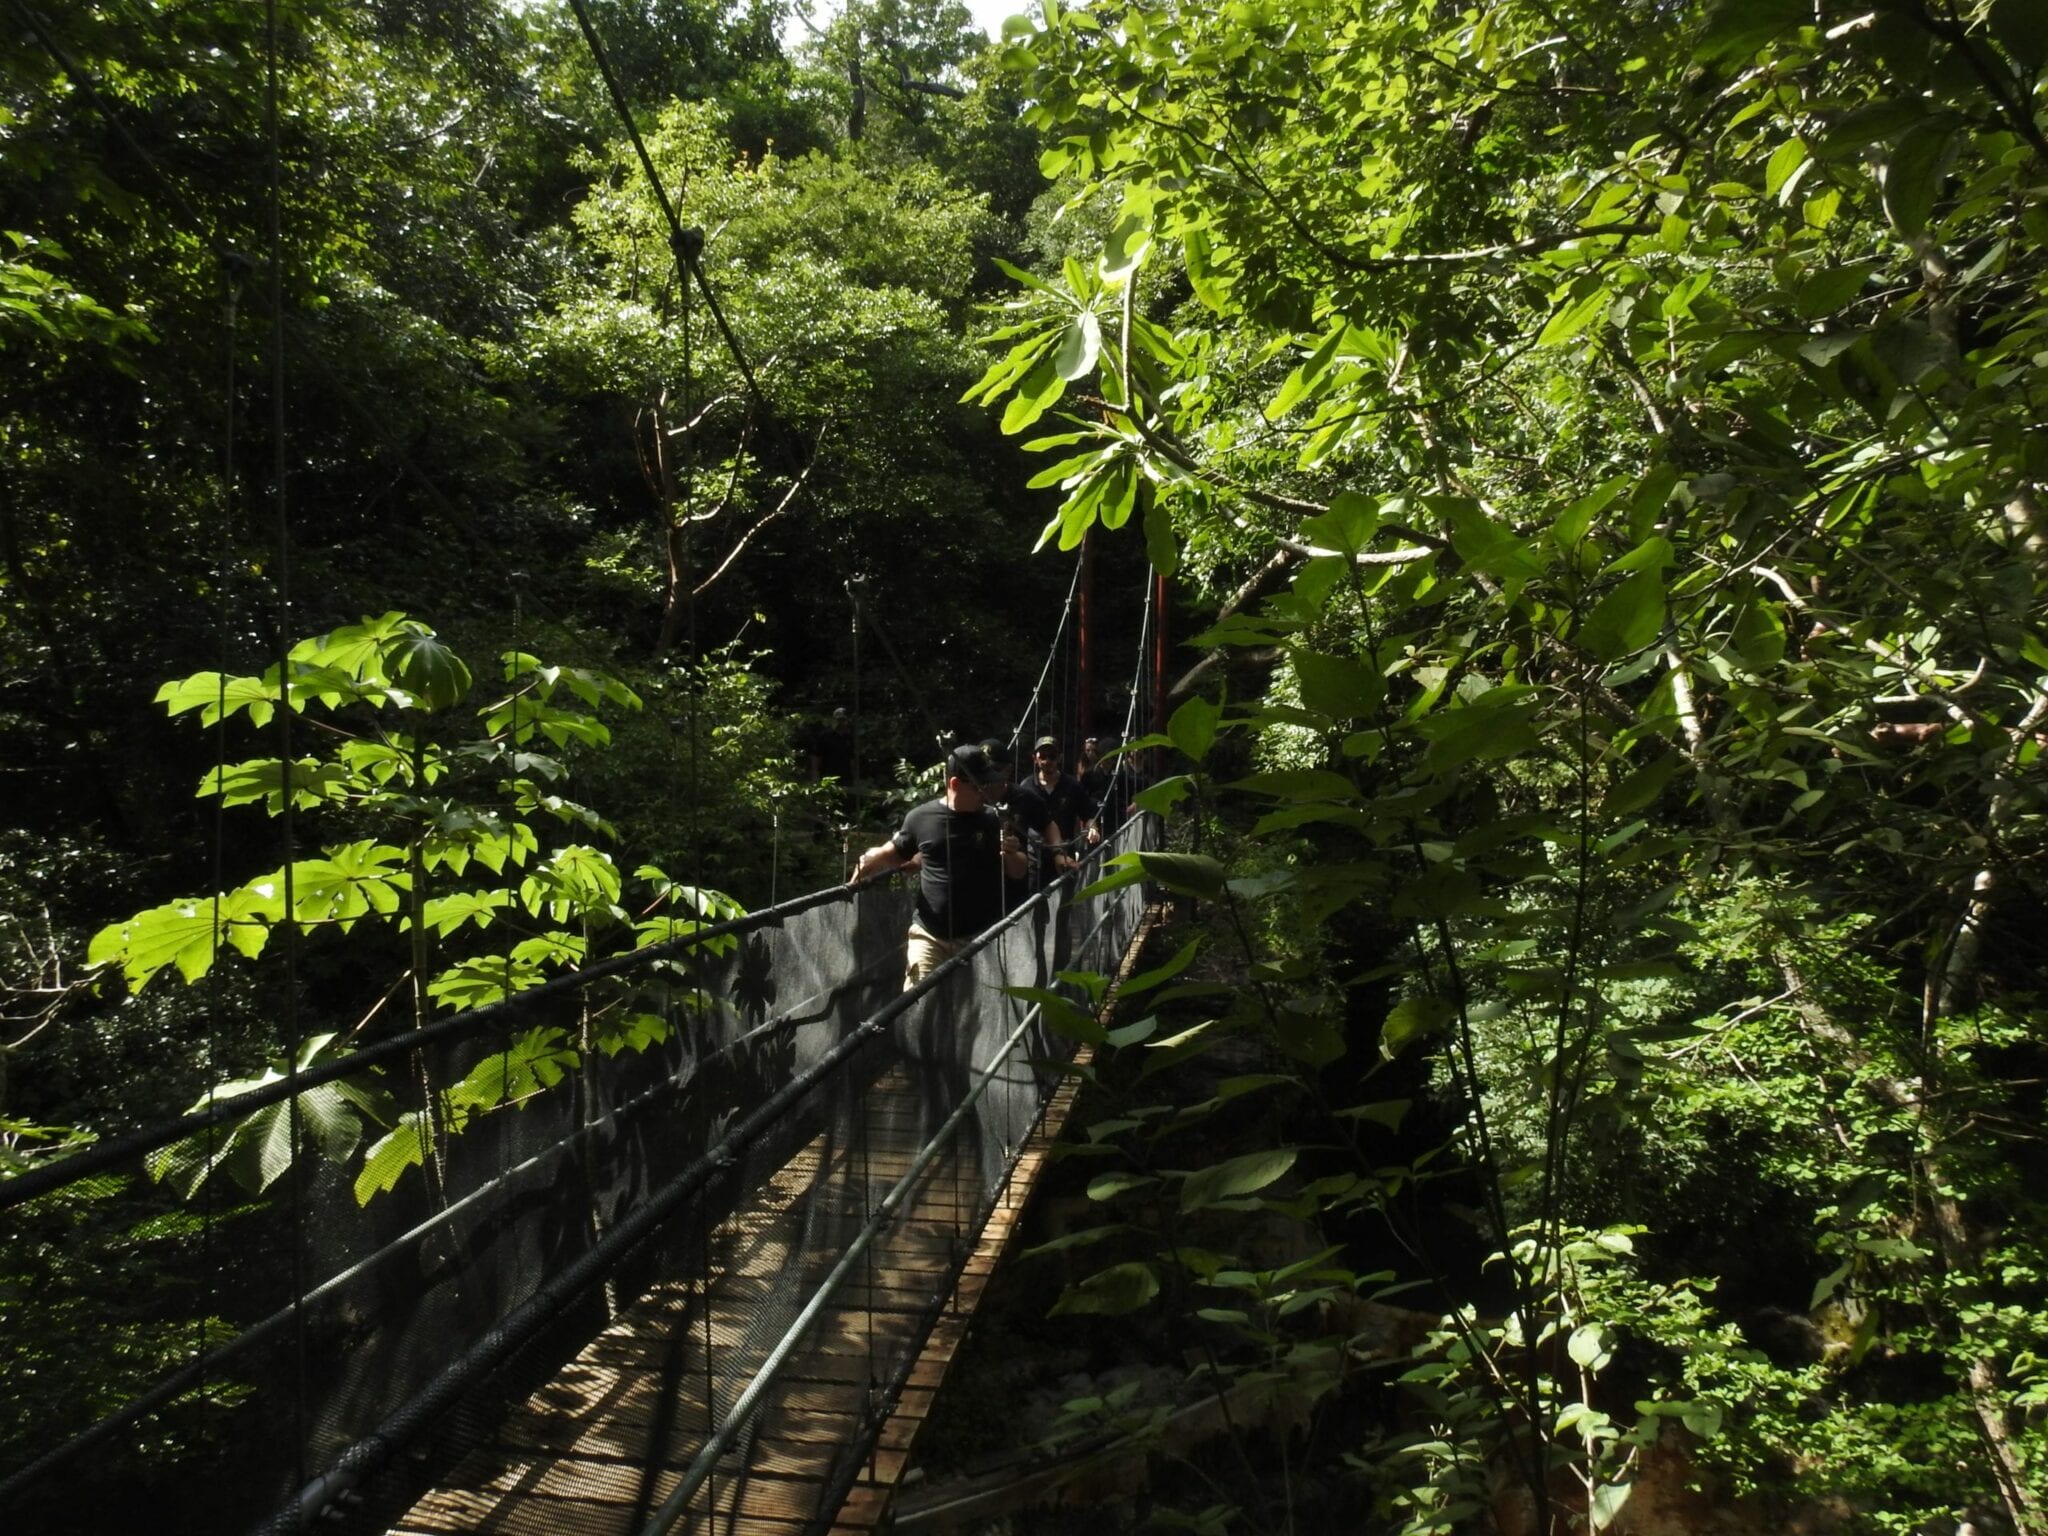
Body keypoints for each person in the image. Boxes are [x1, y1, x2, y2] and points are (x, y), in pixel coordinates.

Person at [852, 742, 1028, 988]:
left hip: (979, 939)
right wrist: (870, 860)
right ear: (955, 784)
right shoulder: (920, 818)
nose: (985, 793)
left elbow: (1019, 871)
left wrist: (1011, 853)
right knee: (917, 1008)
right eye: (979, 786)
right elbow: (895, 853)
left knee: (979, 1018)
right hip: (929, 936)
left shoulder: (992, 820)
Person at [1011, 734, 1099, 882]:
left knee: (1066, 903)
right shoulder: (1026, 787)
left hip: (1066, 856)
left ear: (1060, 758)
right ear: (1035, 758)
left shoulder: (1072, 786)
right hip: (1035, 859)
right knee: (1037, 902)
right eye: (1043, 756)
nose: (1047, 761)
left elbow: (1088, 815)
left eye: (1052, 756)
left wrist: (1093, 828)